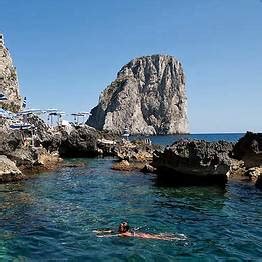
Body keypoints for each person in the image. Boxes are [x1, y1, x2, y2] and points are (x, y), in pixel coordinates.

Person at [94, 222, 187, 241]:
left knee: (159, 237)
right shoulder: (121, 231)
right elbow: (111, 231)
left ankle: (176, 237)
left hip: (141, 236)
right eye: (120, 225)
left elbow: (113, 235)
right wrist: (97, 231)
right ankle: (173, 235)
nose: (119, 226)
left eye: (121, 226)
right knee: (158, 235)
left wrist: (101, 236)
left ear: (125, 229)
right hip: (139, 234)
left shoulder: (124, 234)